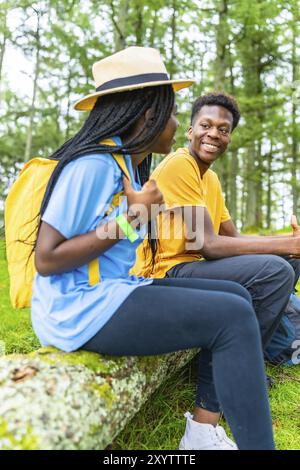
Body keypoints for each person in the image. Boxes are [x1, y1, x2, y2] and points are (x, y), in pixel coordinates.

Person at [32, 48, 275, 450]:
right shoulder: (93, 164)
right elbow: (47, 258)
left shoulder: (128, 165)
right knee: (231, 314)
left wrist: (138, 216)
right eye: (174, 113)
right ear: (148, 113)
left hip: (114, 292)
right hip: (77, 309)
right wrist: (132, 219)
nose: (180, 125)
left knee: (236, 295)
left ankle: (202, 432)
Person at [133, 92, 300, 353]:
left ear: (229, 138)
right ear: (190, 131)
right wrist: (287, 243)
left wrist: (290, 246)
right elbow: (207, 245)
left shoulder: (210, 179)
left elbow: (234, 238)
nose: (213, 134)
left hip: (190, 267)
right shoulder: (179, 165)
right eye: (206, 125)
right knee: (276, 270)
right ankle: (240, 358)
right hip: (162, 272)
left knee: (290, 261)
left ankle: (260, 348)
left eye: (223, 129)